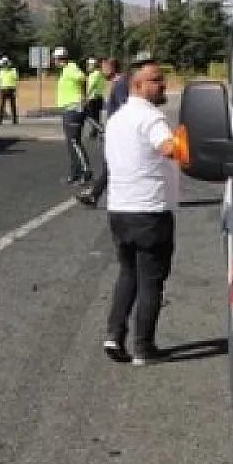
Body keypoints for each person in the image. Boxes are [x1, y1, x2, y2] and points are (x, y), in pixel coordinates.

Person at [101, 57, 181, 365]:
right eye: (156, 80)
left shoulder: (117, 119)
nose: (163, 85)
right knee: (151, 280)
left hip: (120, 209)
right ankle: (143, 347)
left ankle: (114, 335)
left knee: (128, 273)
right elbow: (169, 149)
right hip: (150, 209)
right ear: (137, 85)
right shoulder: (152, 118)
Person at [77, 56, 125, 207]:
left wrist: (117, 130)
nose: (102, 70)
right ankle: (94, 195)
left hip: (119, 132)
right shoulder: (117, 83)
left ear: (112, 68)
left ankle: (95, 195)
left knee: (112, 164)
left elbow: (124, 109)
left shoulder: (120, 85)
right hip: (115, 131)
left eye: (104, 67)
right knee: (111, 165)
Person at [53, 46, 91, 184]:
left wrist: (83, 98)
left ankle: (86, 172)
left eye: (55, 59)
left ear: (59, 59)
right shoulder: (65, 71)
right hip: (68, 110)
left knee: (75, 142)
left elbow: (83, 78)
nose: (54, 62)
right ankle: (75, 173)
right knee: (71, 143)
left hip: (74, 109)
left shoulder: (71, 68)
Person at [0, 57, 19, 125]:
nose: (5, 65)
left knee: (13, 105)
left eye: (6, 63)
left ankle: (14, 119)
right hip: (3, 89)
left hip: (11, 89)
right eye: (4, 63)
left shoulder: (13, 71)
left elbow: (16, 79)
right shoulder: (1, 71)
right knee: (2, 105)